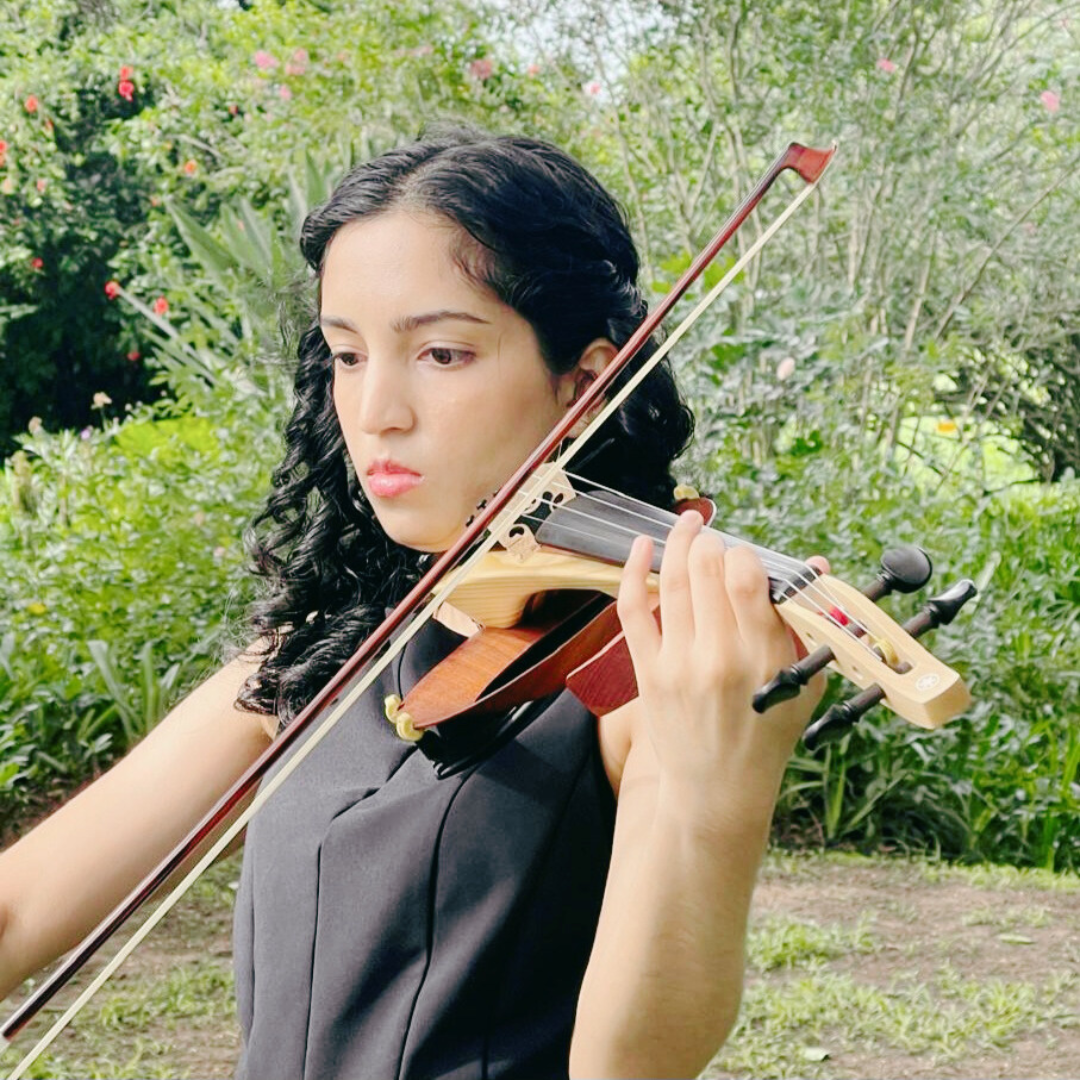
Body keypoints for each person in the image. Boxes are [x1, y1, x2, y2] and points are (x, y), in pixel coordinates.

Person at [0, 125, 825, 1079]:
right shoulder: (323, 655)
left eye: (440, 353)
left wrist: (716, 789)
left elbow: (632, 1065)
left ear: (586, 383)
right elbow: (21, 906)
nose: (376, 411)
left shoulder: (637, 684)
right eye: (348, 356)